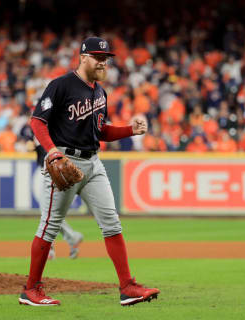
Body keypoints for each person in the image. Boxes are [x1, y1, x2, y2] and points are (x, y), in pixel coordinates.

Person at [19, 37, 160, 307]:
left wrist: (130, 129)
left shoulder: (99, 92)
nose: (103, 62)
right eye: (97, 56)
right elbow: (38, 122)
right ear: (83, 57)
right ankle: (31, 290)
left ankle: (127, 286)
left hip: (93, 162)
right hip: (64, 160)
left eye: (106, 57)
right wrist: (52, 152)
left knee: (112, 224)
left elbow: (101, 131)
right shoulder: (61, 85)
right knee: (48, 228)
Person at [35, 141, 83, 260]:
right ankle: (72, 239)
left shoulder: (48, 125)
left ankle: (51, 249)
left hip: (55, 170)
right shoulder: (36, 127)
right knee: (49, 213)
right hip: (48, 170)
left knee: (48, 213)